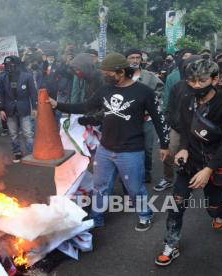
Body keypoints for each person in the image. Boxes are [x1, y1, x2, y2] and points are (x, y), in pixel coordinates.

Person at [48, 53, 170, 231]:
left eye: (108, 73)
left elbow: (159, 118)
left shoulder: (144, 92)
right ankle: (97, 218)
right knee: (100, 187)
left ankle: (145, 214)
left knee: (135, 188)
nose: (105, 76)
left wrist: (165, 145)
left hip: (131, 151)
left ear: (121, 72)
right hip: (105, 149)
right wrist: (57, 104)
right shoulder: (105, 90)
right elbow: (85, 106)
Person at [155, 58, 222, 266]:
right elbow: (186, 129)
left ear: (215, 78)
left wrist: (209, 170)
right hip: (190, 161)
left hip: (217, 162)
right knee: (176, 203)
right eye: (191, 81)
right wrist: (183, 148)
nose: (195, 85)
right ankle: (171, 244)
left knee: (212, 208)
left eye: (201, 81)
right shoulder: (187, 99)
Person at [156, 55, 202, 192]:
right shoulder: (178, 86)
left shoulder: (206, 85)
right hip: (178, 127)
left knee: (196, 154)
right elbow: (170, 107)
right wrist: (168, 125)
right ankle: (168, 178)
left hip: (198, 128)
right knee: (168, 154)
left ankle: (194, 177)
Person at [125, 48, 165, 184]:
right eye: (132, 57)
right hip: (127, 120)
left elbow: (160, 91)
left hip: (146, 119)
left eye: (138, 57)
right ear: (126, 60)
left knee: (147, 148)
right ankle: (128, 172)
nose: (135, 60)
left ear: (141, 60)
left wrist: (151, 106)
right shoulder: (122, 77)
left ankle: (147, 172)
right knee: (128, 147)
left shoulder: (149, 76)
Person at [0, 56, 37, 163]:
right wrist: (1, 109)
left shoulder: (27, 76)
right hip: (9, 109)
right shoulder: (2, 77)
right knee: (13, 133)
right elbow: (0, 94)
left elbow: (33, 93)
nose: (9, 67)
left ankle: (32, 153)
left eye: (11, 64)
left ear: (17, 64)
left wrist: (35, 107)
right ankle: (17, 153)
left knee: (28, 132)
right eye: (6, 65)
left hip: (24, 108)